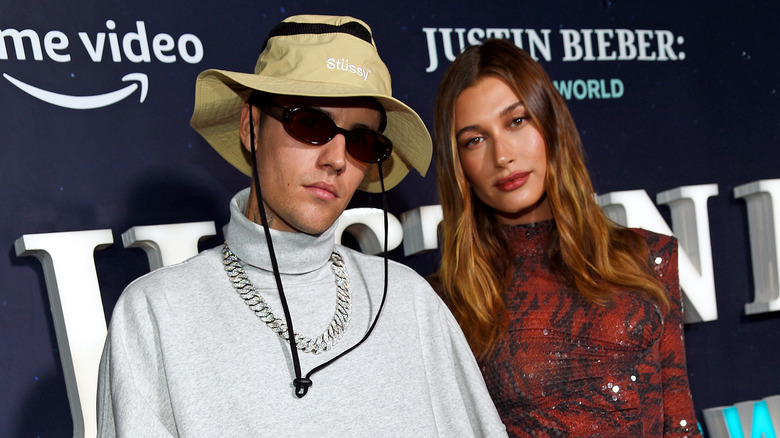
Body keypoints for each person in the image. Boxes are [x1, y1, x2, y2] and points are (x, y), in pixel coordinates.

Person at [97, 15, 506, 437]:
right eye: (311, 124)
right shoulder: (156, 314)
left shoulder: (411, 303)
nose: (337, 159)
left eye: (363, 141)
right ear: (251, 126)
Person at [430, 39, 700, 437]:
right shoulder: (445, 303)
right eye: (475, 139)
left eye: (517, 121)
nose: (502, 155)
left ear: (550, 123)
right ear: (459, 166)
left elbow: (680, 426)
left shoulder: (649, 258)